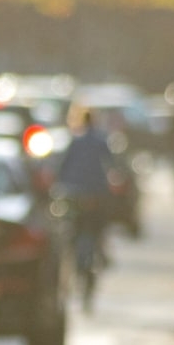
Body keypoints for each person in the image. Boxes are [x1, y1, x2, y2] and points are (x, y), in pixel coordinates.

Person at [53, 103, 126, 306]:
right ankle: (100, 251)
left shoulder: (74, 141)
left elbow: (61, 168)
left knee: (72, 230)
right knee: (99, 226)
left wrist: (59, 185)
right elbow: (112, 165)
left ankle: (76, 256)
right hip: (97, 192)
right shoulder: (102, 140)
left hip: (75, 193)